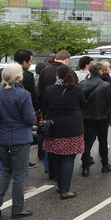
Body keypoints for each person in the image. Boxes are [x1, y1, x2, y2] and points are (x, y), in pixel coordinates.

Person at [0, 63, 36, 219]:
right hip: (19, 137)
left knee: (6, 171)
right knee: (20, 174)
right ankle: (18, 208)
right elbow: (30, 119)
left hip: (1, 137)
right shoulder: (24, 94)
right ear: (19, 77)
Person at [42, 65, 85, 199]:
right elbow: (83, 104)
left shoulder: (49, 90)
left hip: (54, 128)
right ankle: (65, 190)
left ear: (57, 76)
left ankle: (60, 186)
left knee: (57, 157)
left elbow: (45, 106)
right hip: (72, 128)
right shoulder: (77, 90)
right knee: (68, 158)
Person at [79, 62, 111, 176]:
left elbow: (79, 102)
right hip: (101, 116)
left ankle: (85, 167)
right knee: (103, 140)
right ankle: (105, 164)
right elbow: (110, 102)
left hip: (86, 116)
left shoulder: (82, 84)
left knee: (87, 142)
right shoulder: (105, 85)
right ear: (100, 71)